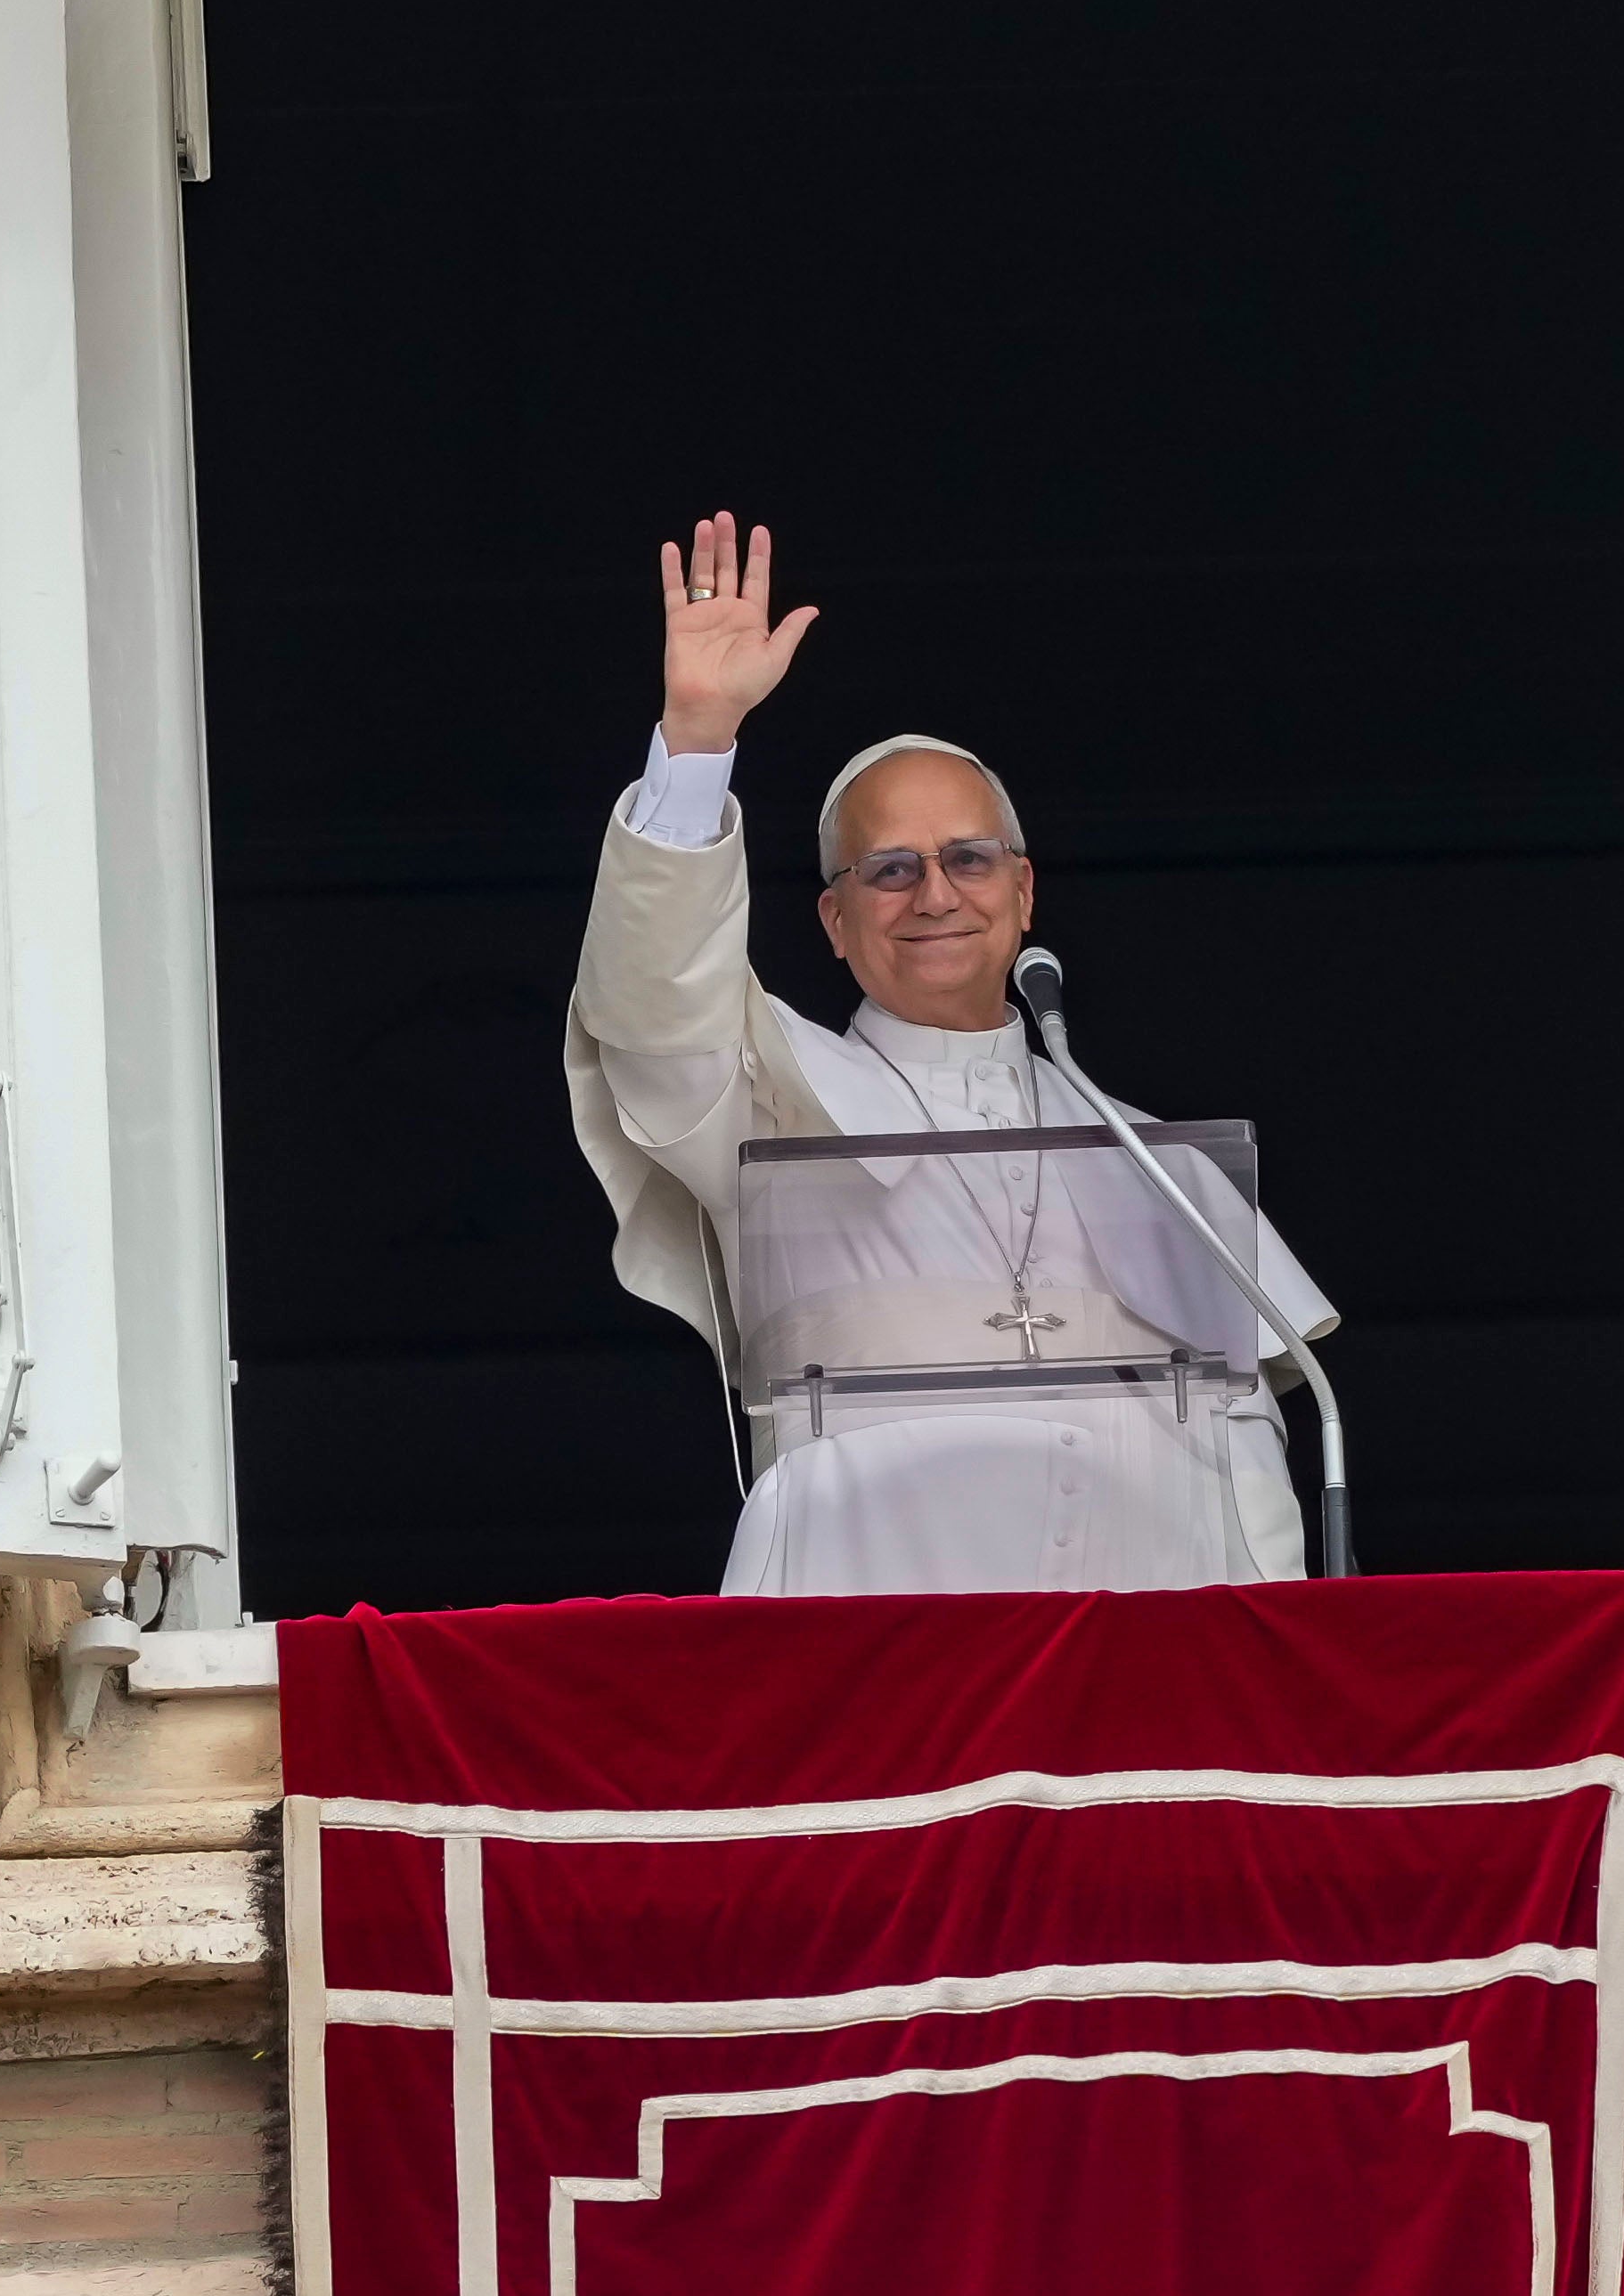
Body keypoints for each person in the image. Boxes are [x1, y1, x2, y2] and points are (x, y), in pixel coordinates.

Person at [565, 511, 1335, 1593]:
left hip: (1142, 1667)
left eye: (969, 859)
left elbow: (1249, 1462)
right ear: (834, 922)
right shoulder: (768, 1105)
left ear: (1022, 894)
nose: (934, 893)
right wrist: (696, 742)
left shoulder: (1167, 1169)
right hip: (870, 1644)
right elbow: (652, 1011)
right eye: (889, 869)